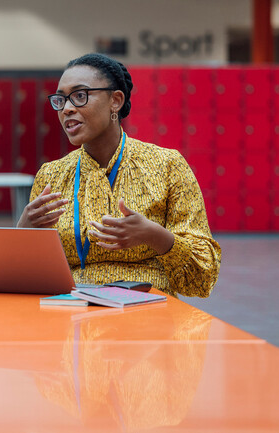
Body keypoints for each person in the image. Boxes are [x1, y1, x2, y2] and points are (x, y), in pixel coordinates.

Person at [17, 53, 220, 297]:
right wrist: (24, 232)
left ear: (115, 100)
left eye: (79, 96)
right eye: (61, 100)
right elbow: (30, 278)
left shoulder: (167, 165)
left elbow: (203, 279)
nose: (67, 108)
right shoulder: (52, 175)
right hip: (72, 313)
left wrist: (156, 236)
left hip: (149, 314)